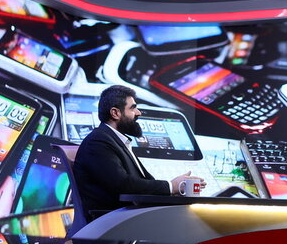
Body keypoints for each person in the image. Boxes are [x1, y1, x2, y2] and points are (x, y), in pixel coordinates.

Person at [72, 86, 195, 221]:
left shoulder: (115, 140)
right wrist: (171, 187)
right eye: (133, 108)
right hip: (111, 224)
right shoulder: (97, 142)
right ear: (115, 113)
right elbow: (123, 185)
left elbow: (143, 182)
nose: (138, 113)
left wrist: (175, 189)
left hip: (127, 220)